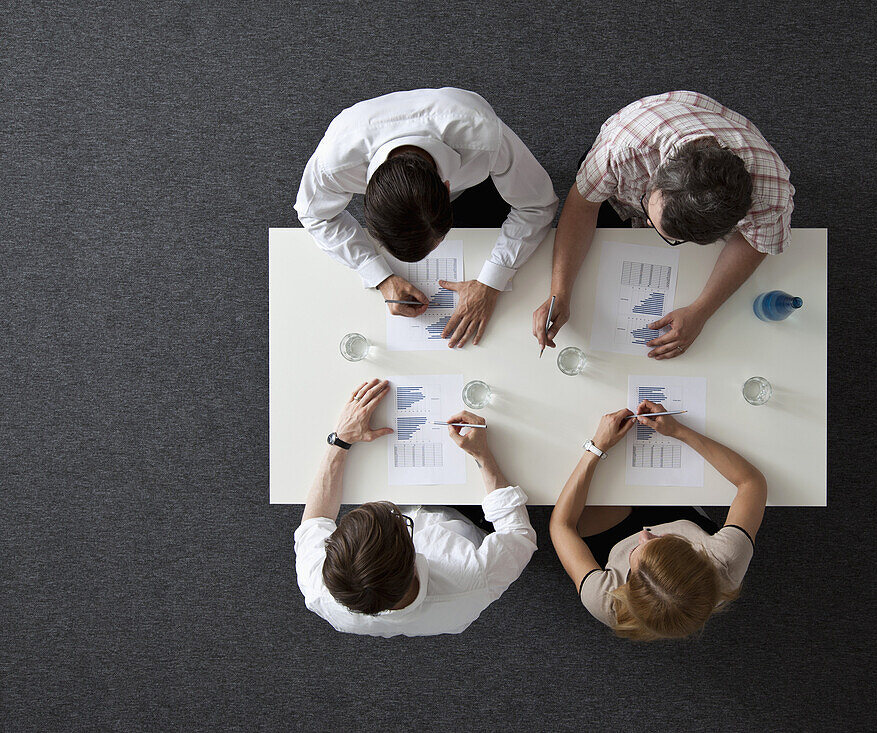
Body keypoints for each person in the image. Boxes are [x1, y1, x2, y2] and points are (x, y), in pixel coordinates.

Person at [532, 91, 794, 359]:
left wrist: (701, 311)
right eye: (648, 207)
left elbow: (755, 241)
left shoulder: (772, 193)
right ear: (659, 177)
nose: (645, 223)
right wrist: (559, 290)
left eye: (667, 235)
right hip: (647, 133)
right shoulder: (621, 149)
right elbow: (583, 203)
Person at [296, 87, 558, 348]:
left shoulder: (486, 137)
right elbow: (313, 215)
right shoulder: (332, 164)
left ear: (446, 188)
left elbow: (538, 205)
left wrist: (491, 282)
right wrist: (380, 276)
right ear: (368, 202)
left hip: (472, 176)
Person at [294, 378, 537, 636]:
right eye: (399, 521)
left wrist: (340, 440)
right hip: (462, 516)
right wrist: (483, 456)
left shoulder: (318, 588)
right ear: (413, 555)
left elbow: (315, 519)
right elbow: (518, 535)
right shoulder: (472, 578)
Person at [549, 400, 767, 640]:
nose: (644, 533)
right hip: (677, 516)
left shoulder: (605, 601)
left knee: (590, 498)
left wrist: (596, 447)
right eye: (660, 540)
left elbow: (561, 526)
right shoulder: (726, 560)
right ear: (698, 554)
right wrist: (679, 431)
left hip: (613, 541)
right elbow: (751, 483)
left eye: (640, 548)